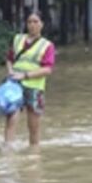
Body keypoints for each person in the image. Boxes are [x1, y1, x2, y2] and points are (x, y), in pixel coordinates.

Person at [5, 12, 55, 147]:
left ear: (42, 24)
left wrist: (25, 75)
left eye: (35, 22)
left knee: (33, 126)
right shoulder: (17, 39)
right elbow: (9, 59)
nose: (32, 25)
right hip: (15, 85)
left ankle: (34, 153)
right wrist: (10, 72)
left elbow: (47, 69)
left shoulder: (47, 45)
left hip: (35, 87)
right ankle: (8, 149)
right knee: (11, 118)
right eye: (29, 22)